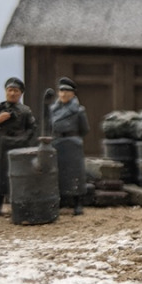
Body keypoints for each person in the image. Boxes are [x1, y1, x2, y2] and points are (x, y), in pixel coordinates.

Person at [0, 77, 38, 216]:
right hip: (1, 145)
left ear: (20, 93)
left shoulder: (25, 110)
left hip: (17, 145)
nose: (12, 93)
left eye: (16, 91)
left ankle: (17, 203)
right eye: (10, 90)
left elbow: (32, 128)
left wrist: (24, 140)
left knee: (17, 174)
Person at [50, 77, 90, 215]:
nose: (63, 95)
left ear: (73, 94)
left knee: (75, 174)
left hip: (72, 144)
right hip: (56, 143)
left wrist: (75, 138)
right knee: (58, 174)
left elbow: (84, 129)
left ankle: (78, 203)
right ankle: (60, 200)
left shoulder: (79, 110)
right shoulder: (53, 110)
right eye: (61, 91)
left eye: (67, 92)